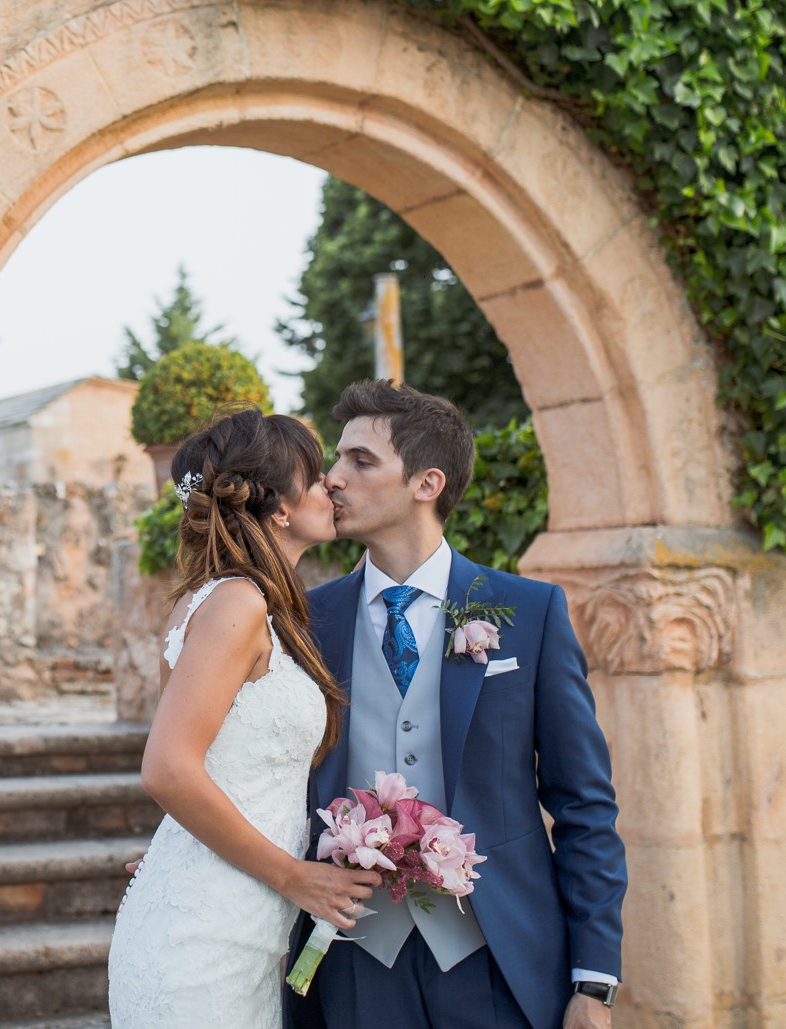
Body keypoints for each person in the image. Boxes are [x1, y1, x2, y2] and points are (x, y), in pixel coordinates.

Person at [290, 380, 625, 1029]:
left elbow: (584, 803)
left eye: (360, 461)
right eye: (336, 459)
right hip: (355, 956)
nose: (331, 478)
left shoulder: (530, 613)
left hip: (497, 956)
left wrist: (595, 977)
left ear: (427, 482)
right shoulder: (305, 620)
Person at [108, 407, 382, 1028]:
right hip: (205, 940)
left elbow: (213, 760)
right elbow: (168, 769)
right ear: (280, 507)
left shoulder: (225, 602)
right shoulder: (237, 602)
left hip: (232, 915)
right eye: (315, 477)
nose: (330, 486)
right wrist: (296, 877)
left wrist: (180, 847)